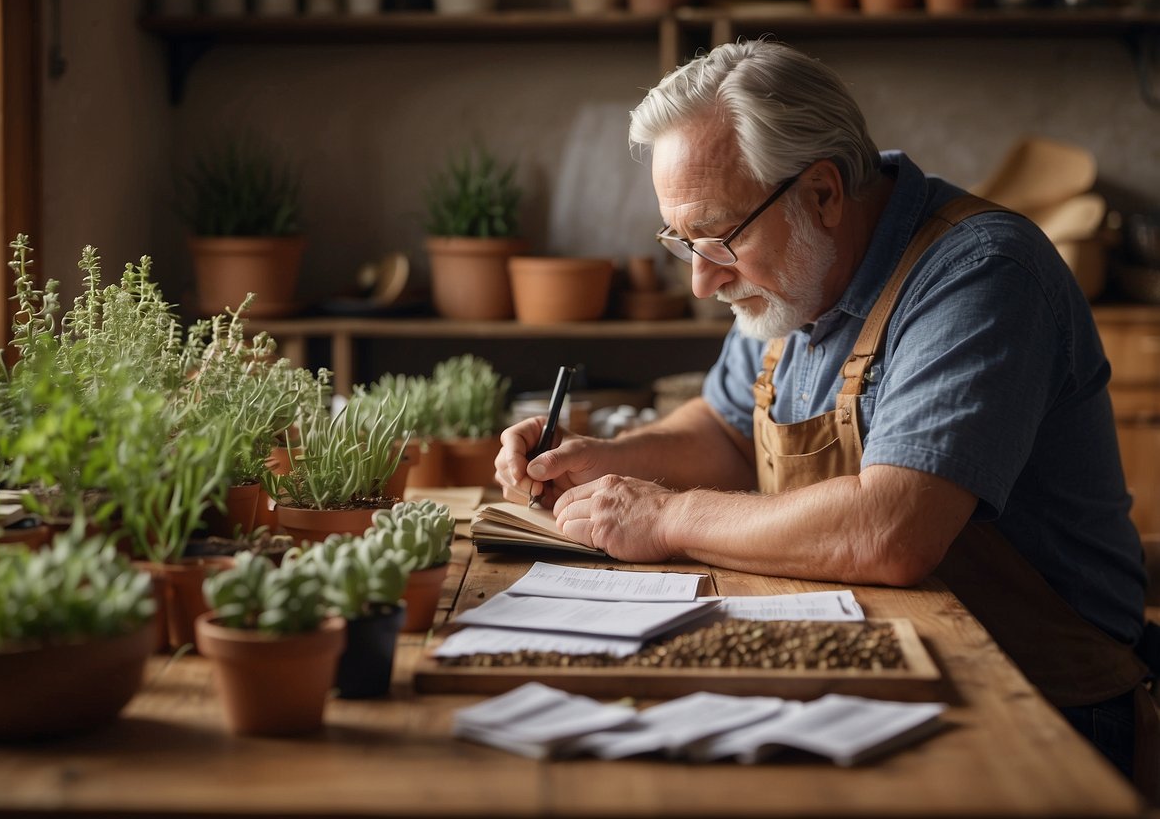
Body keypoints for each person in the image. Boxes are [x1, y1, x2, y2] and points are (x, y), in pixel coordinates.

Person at [494, 40, 1158, 789]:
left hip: (1040, 706)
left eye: (717, 237)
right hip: (879, 660)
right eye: (680, 239)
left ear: (822, 193)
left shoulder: (980, 276)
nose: (700, 278)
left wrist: (662, 516)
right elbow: (721, 430)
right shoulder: (793, 276)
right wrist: (605, 459)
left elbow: (892, 529)